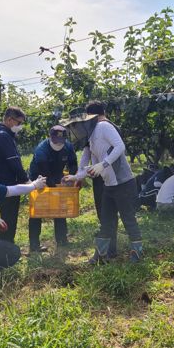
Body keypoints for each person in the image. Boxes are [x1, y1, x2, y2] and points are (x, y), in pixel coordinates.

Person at [64, 100, 143, 263]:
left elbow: (120, 147)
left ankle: (137, 253)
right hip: (108, 185)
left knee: (128, 219)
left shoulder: (105, 127)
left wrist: (103, 164)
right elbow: (90, 161)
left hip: (123, 184)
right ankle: (101, 255)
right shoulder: (92, 134)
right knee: (106, 220)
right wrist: (76, 176)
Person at [28, 125, 77, 253]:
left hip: (57, 176)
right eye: (56, 141)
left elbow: (73, 164)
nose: (59, 144)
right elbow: (45, 173)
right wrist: (55, 188)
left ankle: (62, 241)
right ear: (50, 137)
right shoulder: (41, 150)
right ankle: (34, 245)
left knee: (60, 209)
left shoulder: (68, 146)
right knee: (37, 212)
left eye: (61, 141)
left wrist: (72, 177)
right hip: (39, 178)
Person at [0, 107, 29, 244]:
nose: (20, 126)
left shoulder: (3, 135)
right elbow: (13, 161)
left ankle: (7, 246)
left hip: (5, 182)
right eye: (18, 123)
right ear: (9, 120)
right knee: (8, 218)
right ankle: (5, 248)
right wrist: (26, 180)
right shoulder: (3, 136)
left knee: (9, 217)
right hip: (7, 184)